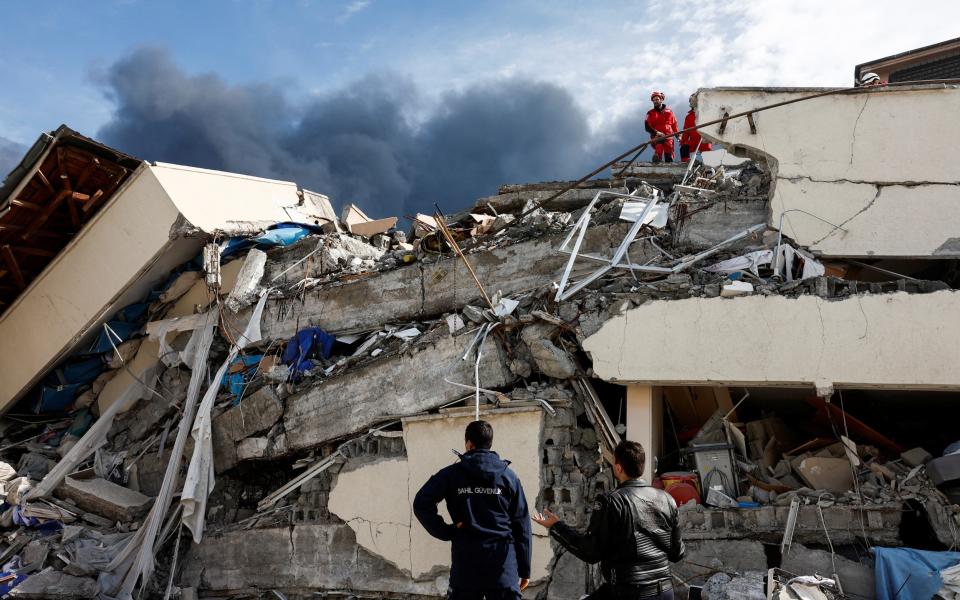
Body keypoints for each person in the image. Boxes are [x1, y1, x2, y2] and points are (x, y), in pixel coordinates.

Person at [532, 440, 684, 599]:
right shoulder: (667, 499)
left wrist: (556, 526)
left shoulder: (611, 501)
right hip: (665, 592)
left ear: (618, 468)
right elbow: (677, 553)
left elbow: (591, 552)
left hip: (629, 593)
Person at [414, 420, 532, 600]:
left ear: (468, 444)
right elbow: (522, 525)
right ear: (490, 443)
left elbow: (421, 503)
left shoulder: (450, 474)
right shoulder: (509, 477)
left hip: (466, 565)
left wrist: (447, 531)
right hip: (503, 566)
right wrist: (525, 569)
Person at [645, 91, 679, 163]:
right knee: (659, 147)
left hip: (669, 136)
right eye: (653, 100)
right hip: (657, 136)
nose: (655, 101)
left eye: (657, 99)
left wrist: (678, 136)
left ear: (661, 99)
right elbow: (647, 127)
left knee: (669, 154)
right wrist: (657, 132)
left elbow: (674, 125)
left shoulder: (669, 112)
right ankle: (657, 159)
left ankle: (669, 164)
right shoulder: (650, 113)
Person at [679, 94, 712, 163]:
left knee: (707, 153)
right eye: (690, 101)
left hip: (704, 139)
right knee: (684, 148)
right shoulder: (688, 117)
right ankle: (686, 162)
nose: (691, 102)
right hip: (693, 140)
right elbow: (686, 131)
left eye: (693, 100)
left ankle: (709, 167)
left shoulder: (706, 113)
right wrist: (682, 142)